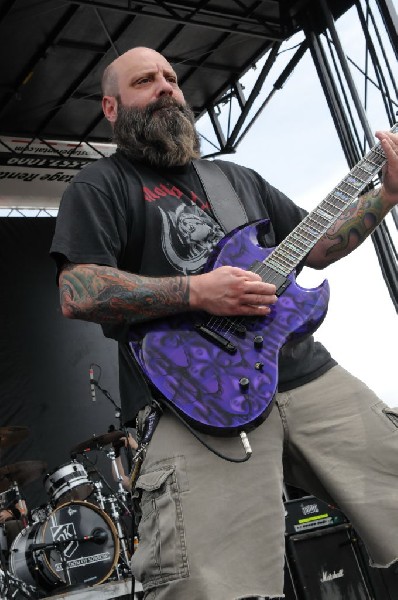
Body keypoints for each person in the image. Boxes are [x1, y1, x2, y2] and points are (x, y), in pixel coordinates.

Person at [50, 46, 398, 600]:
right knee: (210, 583)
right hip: (193, 402)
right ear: (112, 108)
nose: (166, 87)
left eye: (171, 77)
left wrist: (389, 194)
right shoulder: (102, 184)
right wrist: (195, 291)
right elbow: (78, 290)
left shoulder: (236, 179)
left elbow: (321, 244)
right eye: (146, 81)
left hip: (305, 374)